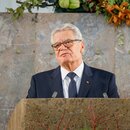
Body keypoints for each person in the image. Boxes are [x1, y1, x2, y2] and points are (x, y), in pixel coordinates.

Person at [27, 23, 119, 98]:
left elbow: (117, 116)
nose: (62, 47)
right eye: (57, 45)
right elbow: (28, 117)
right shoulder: (39, 82)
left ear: (82, 46)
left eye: (68, 42)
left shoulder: (106, 79)